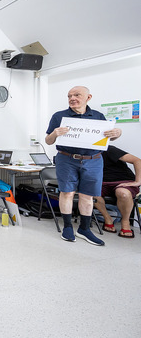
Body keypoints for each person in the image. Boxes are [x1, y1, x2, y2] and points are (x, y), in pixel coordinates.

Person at [45, 86, 122, 246]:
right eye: (69, 96)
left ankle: (84, 229)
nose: (72, 98)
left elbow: (106, 138)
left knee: (88, 196)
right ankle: (67, 227)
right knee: (67, 193)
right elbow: (48, 140)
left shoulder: (98, 116)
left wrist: (116, 134)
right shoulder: (59, 116)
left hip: (93, 160)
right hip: (66, 159)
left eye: (77, 95)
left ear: (88, 97)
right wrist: (55, 133)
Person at [94, 145, 141, 238]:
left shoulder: (109, 149)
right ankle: (107, 219)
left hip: (122, 180)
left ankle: (125, 221)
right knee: (90, 192)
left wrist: (138, 181)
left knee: (123, 194)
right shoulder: (81, 153)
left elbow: (137, 160)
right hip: (102, 182)